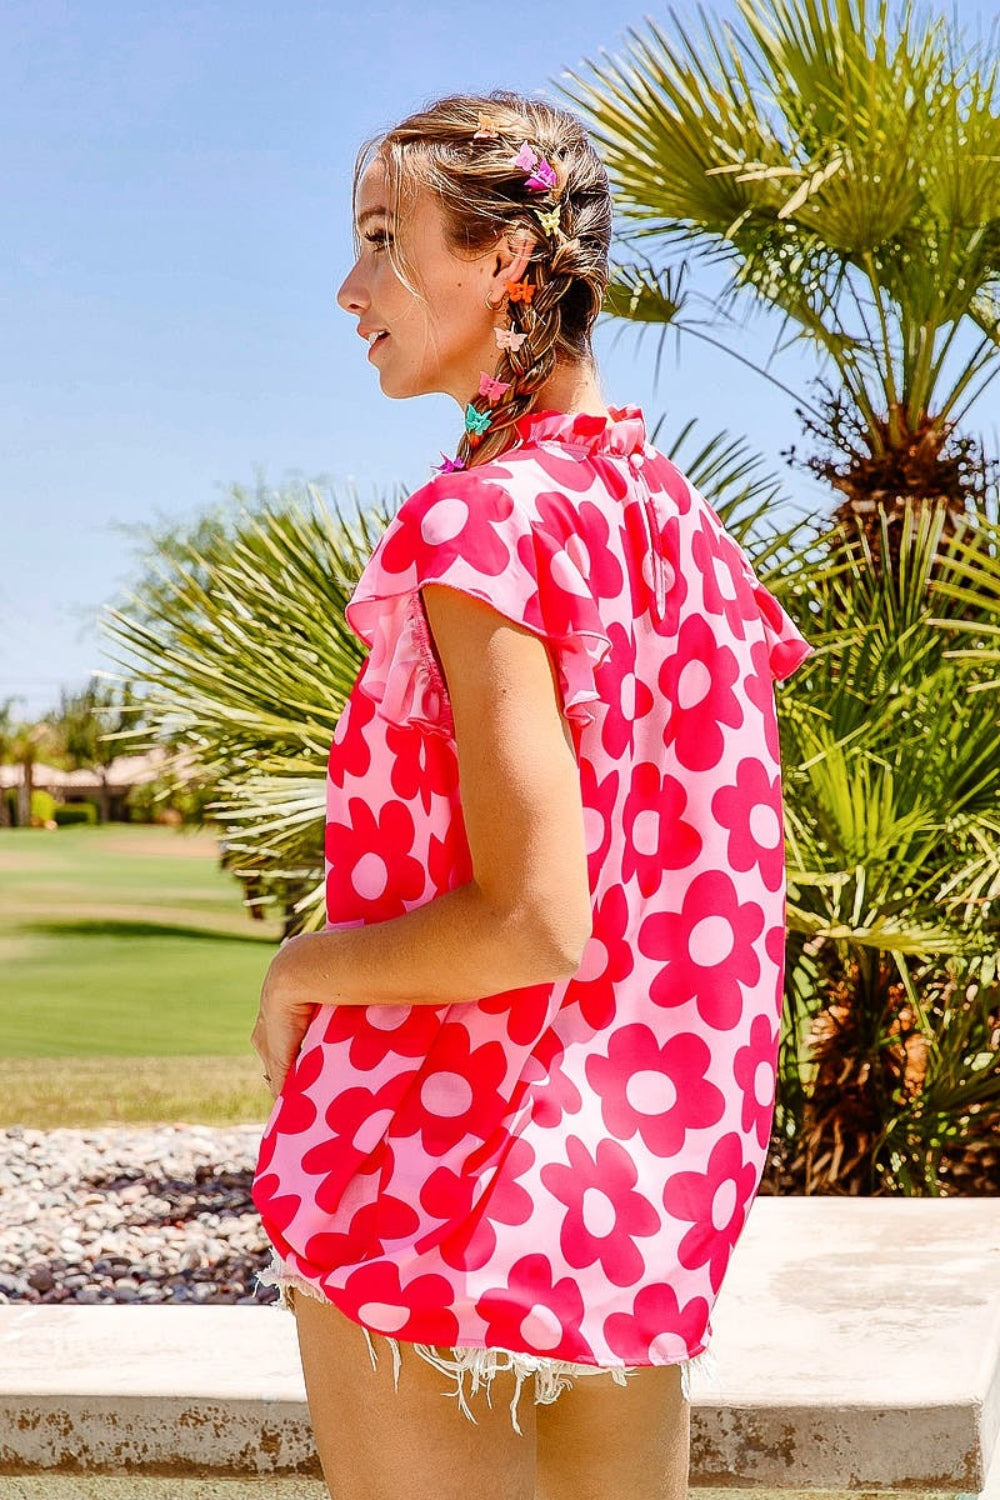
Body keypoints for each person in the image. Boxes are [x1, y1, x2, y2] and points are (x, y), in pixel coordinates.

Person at [249, 89, 814, 1500]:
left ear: (510, 265)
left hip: (433, 1163)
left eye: (387, 241)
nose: (349, 286)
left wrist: (303, 969)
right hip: (620, 1187)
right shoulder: (675, 525)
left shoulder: (481, 521)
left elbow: (531, 922)